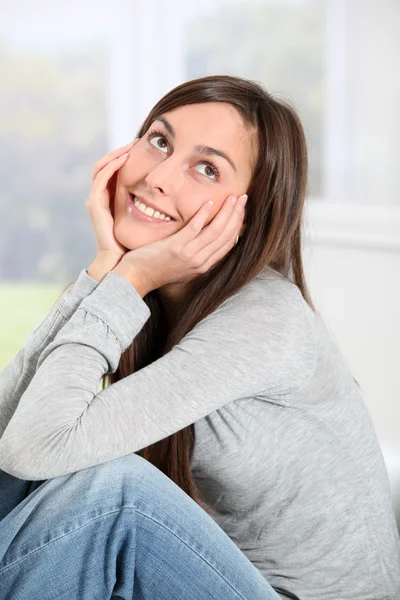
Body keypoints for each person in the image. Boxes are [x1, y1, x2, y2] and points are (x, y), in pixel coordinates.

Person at [0, 74, 399, 600]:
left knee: (118, 496)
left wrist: (125, 280)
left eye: (206, 169)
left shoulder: (264, 321)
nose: (158, 177)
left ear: (249, 214)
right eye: (159, 141)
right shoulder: (156, 300)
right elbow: (10, 437)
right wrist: (102, 273)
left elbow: (33, 447)